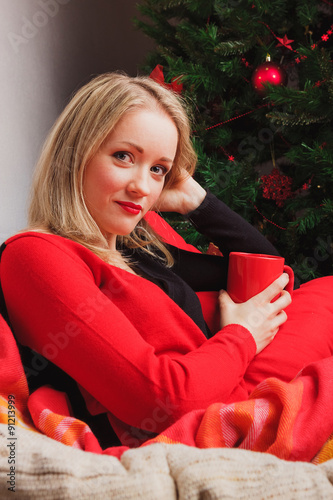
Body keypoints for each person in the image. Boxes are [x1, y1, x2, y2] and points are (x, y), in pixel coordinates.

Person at [0, 72, 332, 449]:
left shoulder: (135, 245)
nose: (143, 186)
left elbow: (267, 275)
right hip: (200, 410)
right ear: (74, 153)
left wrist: (198, 203)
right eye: (124, 157)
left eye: (158, 169)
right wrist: (242, 336)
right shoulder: (35, 255)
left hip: (222, 378)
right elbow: (163, 399)